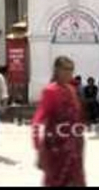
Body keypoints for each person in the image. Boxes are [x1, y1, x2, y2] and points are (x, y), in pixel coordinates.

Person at [32, 56, 86, 187]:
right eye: (65, 69)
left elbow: (77, 118)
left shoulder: (72, 90)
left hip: (74, 150)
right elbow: (37, 121)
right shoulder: (50, 91)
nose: (69, 73)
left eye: (71, 70)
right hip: (56, 150)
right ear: (57, 70)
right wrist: (39, 149)